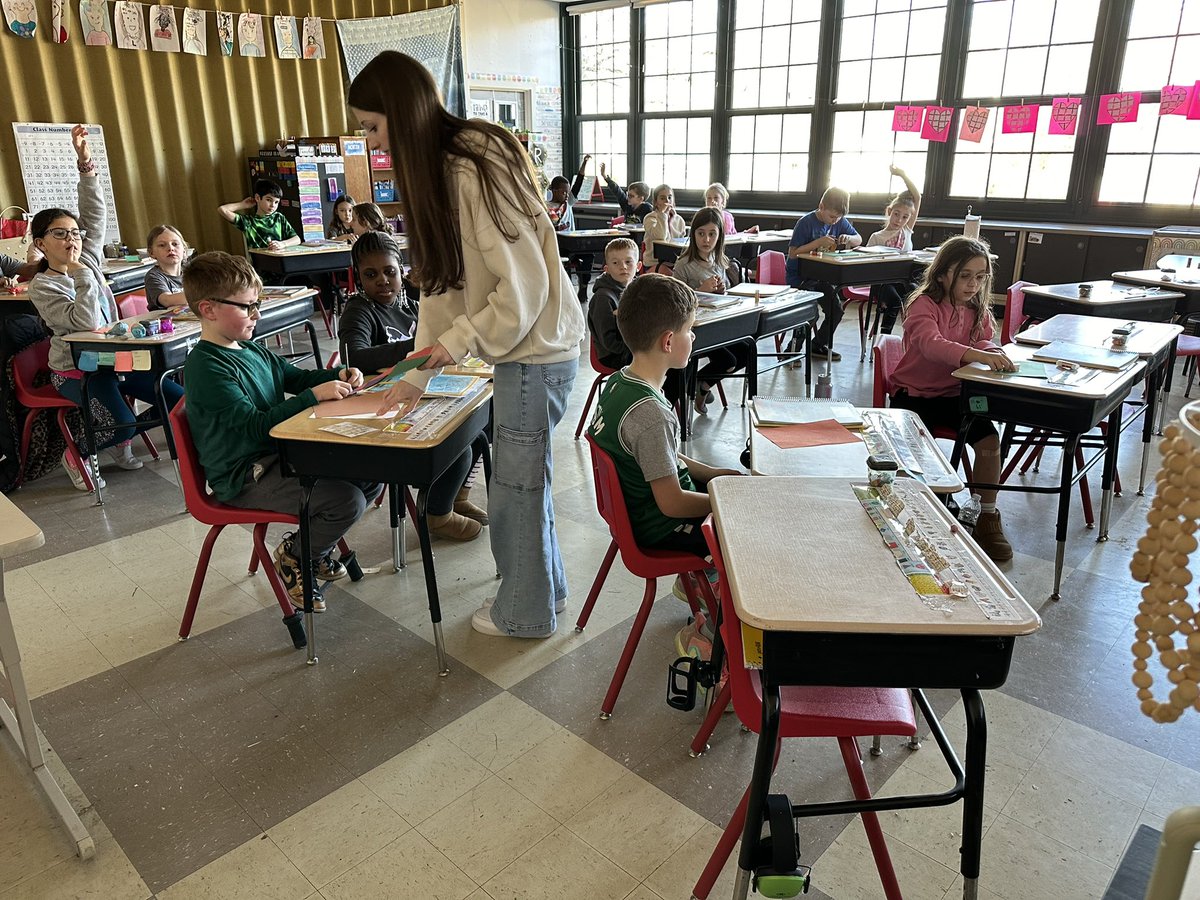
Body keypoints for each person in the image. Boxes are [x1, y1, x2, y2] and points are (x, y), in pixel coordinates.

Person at [349, 50, 585, 639]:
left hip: (535, 352)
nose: (374, 144)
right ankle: (546, 592)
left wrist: (458, 346)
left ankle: (524, 613)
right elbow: (443, 289)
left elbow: (522, 286)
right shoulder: (443, 170)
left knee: (515, 492)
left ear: (403, 115)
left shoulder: (471, 165)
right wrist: (414, 373)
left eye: (374, 127)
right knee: (522, 486)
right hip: (523, 353)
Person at [182, 251, 382, 610]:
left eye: (256, 304)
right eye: (246, 307)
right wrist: (311, 397)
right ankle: (296, 556)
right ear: (209, 309)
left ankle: (311, 549)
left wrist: (337, 376)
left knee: (373, 476)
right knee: (346, 500)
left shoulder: (249, 348)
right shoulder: (206, 367)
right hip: (244, 476)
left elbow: (297, 378)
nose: (256, 314)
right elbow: (256, 429)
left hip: (280, 456)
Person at [586, 274, 739, 655]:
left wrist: (716, 477)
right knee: (747, 540)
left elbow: (664, 457)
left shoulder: (622, 382)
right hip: (662, 524)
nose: (695, 338)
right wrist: (726, 498)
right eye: (691, 330)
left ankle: (698, 579)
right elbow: (671, 502)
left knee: (733, 490)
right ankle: (706, 638)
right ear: (669, 342)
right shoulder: (650, 413)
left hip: (642, 512)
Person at [28, 126, 183, 489]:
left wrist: (85, 164)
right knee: (124, 421)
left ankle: (121, 439)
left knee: (179, 401)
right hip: (76, 369)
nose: (72, 239)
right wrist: (81, 275)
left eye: (74, 233)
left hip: (116, 357)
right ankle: (80, 452)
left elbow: (94, 214)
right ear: (41, 242)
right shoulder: (44, 285)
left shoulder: (90, 257)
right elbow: (80, 324)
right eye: (60, 234)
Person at [340, 232, 486, 536]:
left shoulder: (411, 303)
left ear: (401, 270)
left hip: (425, 392)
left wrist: (430, 348)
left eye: (389, 272)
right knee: (458, 445)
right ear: (358, 277)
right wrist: (418, 348)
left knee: (482, 425)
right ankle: (437, 513)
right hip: (385, 406)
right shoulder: (359, 310)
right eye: (371, 274)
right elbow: (356, 355)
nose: (382, 280)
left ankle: (457, 496)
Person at [889, 236, 1013, 562]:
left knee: (989, 440)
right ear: (944, 274)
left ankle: (988, 516)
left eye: (981, 276)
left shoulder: (977, 309)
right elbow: (932, 344)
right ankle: (926, 511)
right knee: (919, 459)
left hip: (957, 394)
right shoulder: (923, 305)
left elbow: (984, 342)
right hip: (914, 396)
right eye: (965, 276)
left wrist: (993, 352)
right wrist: (977, 353)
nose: (974, 284)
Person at [671, 207, 748, 415]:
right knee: (728, 361)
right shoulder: (684, 264)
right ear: (693, 233)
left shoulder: (720, 262)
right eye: (701, 233)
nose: (706, 239)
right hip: (695, 331)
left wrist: (721, 291)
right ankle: (697, 385)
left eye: (712, 234)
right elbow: (675, 302)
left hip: (718, 324)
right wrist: (699, 291)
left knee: (747, 351)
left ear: (720, 236)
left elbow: (722, 298)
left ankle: (702, 386)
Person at [785, 186, 861, 362]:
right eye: (832, 217)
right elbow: (793, 253)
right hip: (800, 277)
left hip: (821, 277)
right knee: (810, 313)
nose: (834, 221)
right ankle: (793, 350)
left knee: (836, 310)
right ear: (821, 206)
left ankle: (818, 345)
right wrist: (817, 242)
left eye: (839, 218)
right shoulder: (806, 222)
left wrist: (849, 239)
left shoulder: (839, 221)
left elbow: (859, 239)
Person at [866, 164, 921, 335]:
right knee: (895, 301)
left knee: (919, 296)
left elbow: (917, 197)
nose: (899, 220)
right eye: (896, 214)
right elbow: (866, 264)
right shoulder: (877, 237)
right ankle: (884, 338)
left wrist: (903, 175)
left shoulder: (906, 230)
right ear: (889, 211)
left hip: (901, 279)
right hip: (881, 281)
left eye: (905, 217)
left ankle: (917, 338)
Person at [547, 154, 593, 302]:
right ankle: (565, 290)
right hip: (558, 245)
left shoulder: (569, 202)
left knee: (588, 256)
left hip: (574, 244)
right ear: (554, 191)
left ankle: (583, 287)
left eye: (568, 192)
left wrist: (584, 164)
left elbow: (578, 184)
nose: (567, 195)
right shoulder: (545, 207)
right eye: (563, 192)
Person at [587, 237, 637, 371]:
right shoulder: (603, 298)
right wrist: (639, 348)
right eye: (615, 263)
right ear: (607, 269)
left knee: (675, 354)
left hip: (631, 348)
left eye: (628, 261)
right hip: (613, 355)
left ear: (638, 266)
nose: (623, 267)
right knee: (663, 360)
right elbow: (609, 342)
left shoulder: (636, 290)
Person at [218, 179, 300, 251]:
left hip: (280, 261)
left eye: (276, 202)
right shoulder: (248, 222)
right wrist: (243, 205)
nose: (273, 205)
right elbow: (222, 210)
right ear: (257, 198)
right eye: (268, 200)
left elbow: (297, 239)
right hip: (259, 263)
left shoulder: (278, 218)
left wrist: (283, 244)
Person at [641, 183, 686, 272]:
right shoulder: (650, 218)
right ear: (656, 202)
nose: (667, 201)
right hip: (653, 263)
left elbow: (682, 244)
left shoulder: (679, 220)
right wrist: (662, 215)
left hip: (674, 263)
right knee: (671, 276)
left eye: (669, 197)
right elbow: (660, 236)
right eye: (662, 198)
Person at [143, 224, 187, 310]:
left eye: (175, 244)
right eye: (162, 245)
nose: (170, 248)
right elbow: (166, 300)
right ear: (151, 253)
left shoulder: (193, 272)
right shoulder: (153, 276)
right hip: (166, 322)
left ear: (184, 250)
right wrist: (202, 294)